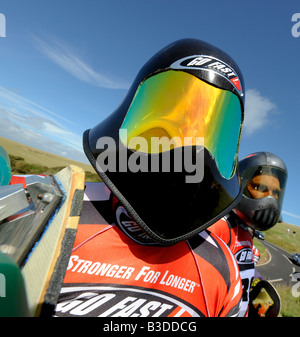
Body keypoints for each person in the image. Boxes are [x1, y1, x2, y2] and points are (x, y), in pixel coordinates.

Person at [55, 38, 246, 317]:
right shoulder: (49, 208)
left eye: (208, 140)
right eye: (163, 136)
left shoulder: (224, 271)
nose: (190, 154)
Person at [209, 151, 288, 316]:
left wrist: (253, 283)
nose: (270, 200)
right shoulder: (219, 227)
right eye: (260, 188)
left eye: (276, 193)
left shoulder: (244, 231)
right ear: (241, 185)